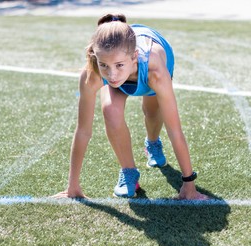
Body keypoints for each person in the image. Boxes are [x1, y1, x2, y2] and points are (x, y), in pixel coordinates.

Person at [54, 14, 208, 200]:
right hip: (123, 56)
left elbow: (175, 130)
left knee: (151, 112)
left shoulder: (155, 71)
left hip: (151, 64)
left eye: (119, 65)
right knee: (110, 110)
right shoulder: (94, 71)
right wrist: (73, 186)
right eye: (104, 65)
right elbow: (83, 130)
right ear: (95, 57)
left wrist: (189, 185)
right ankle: (129, 171)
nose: (112, 75)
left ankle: (152, 143)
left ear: (134, 56)